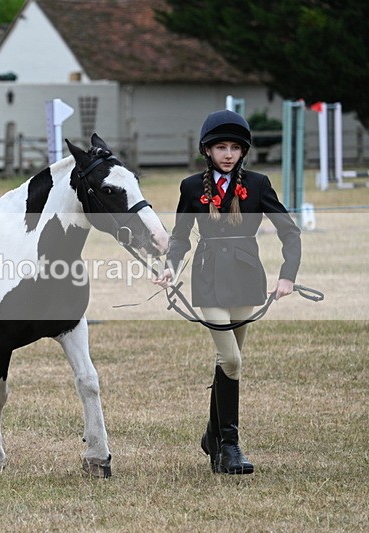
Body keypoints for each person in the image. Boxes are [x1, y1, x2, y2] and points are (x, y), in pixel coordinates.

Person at [153, 109, 302, 475]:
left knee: (227, 363)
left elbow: (290, 232)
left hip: (246, 278)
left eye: (235, 147)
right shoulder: (190, 187)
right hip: (208, 281)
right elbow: (180, 237)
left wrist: (287, 276)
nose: (229, 153)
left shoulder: (259, 184)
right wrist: (169, 267)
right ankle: (231, 445)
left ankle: (212, 438)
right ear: (207, 150)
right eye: (221, 146)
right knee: (232, 361)